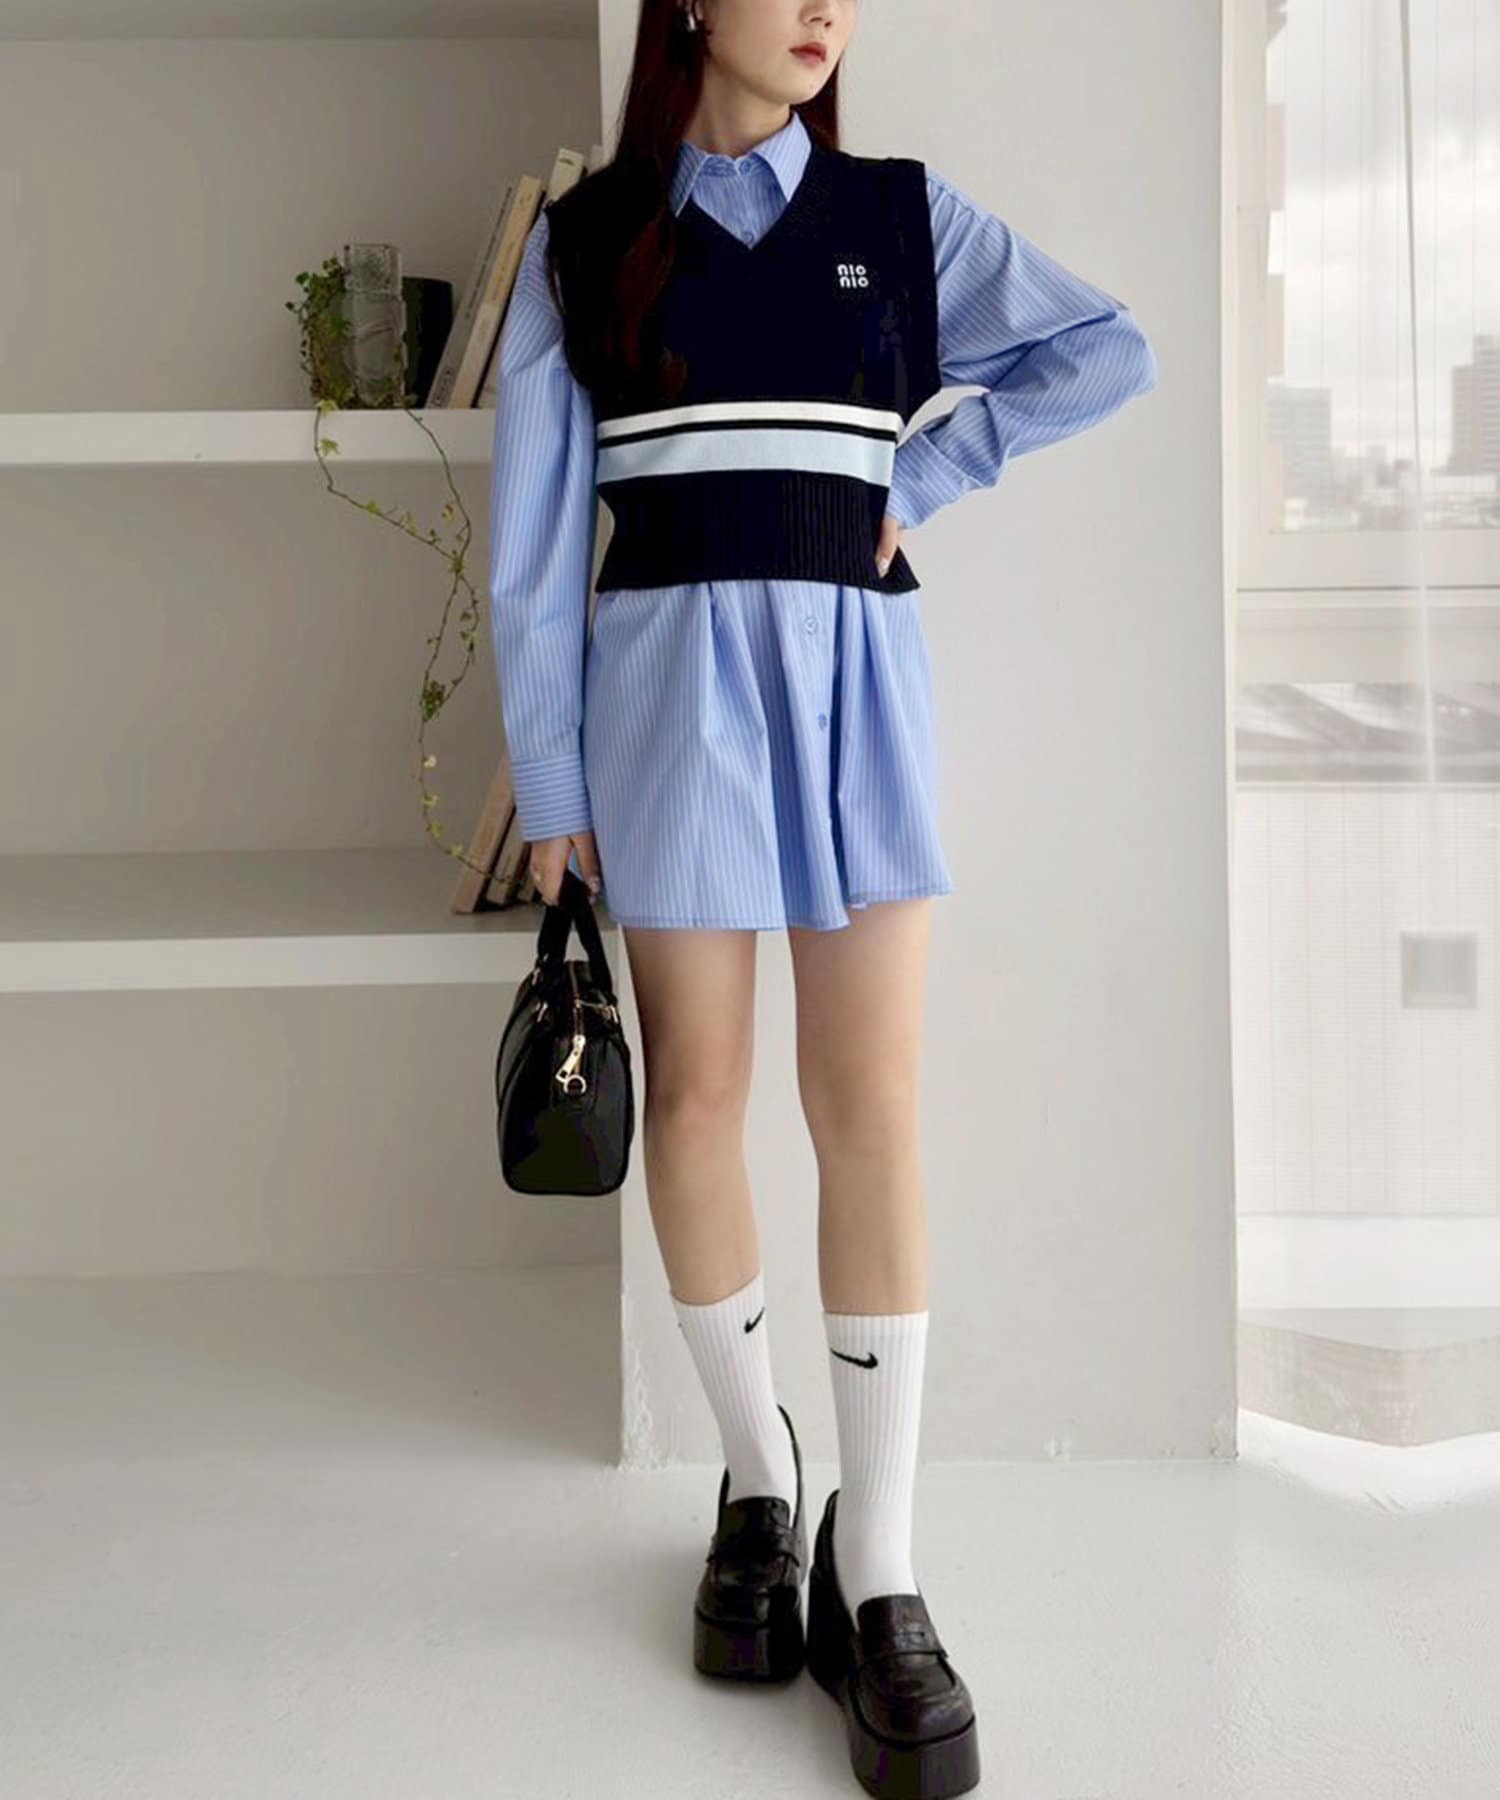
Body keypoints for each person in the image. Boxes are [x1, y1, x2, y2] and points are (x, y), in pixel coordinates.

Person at [488, 3, 1157, 1794]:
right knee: (698, 1102)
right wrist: (550, 780)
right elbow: (534, 535)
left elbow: (1108, 348)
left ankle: (885, 1567)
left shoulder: (902, 219)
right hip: (665, 697)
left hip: (861, 691)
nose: (820, 11)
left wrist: (924, 467)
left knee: (868, 1108)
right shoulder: (586, 239)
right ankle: (760, 1479)